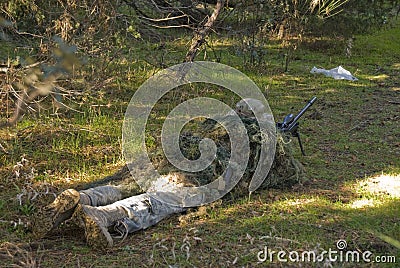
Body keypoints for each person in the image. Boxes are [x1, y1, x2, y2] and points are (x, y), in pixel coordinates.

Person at [32, 99, 304, 249]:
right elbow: (285, 175)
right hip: (200, 178)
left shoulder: (217, 124)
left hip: (172, 163)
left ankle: (84, 197)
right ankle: (102, 216)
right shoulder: (262, 139)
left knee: (130, 184)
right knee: (161, 201)